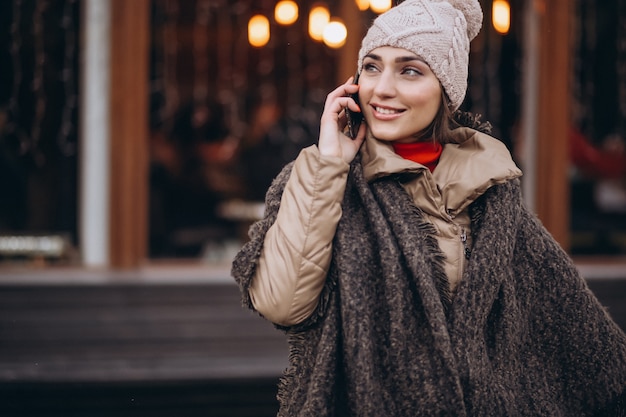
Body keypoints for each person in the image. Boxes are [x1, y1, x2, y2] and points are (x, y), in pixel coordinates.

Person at [232, 0, 626, 415]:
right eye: (371, 66)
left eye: (410, 70)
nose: (382, 88)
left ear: (446, 91)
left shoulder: (491, 192)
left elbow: (579, 339)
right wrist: (329, 165)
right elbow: (281, 302)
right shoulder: (321, 177)